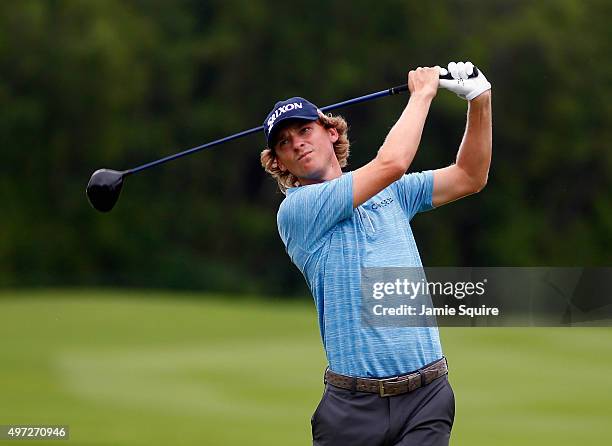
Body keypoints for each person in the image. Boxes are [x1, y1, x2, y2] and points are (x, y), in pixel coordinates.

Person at [260, 61, 492, 446]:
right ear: (278, 162)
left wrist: (479, 101)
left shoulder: (393, 192)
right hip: (353, 409)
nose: (297, 143)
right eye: (284, 143)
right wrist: (422, 94)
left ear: (331, 131)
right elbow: (392, 163)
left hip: (427, 396)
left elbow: (470, 176)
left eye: (304, 130)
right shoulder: (298, 210)